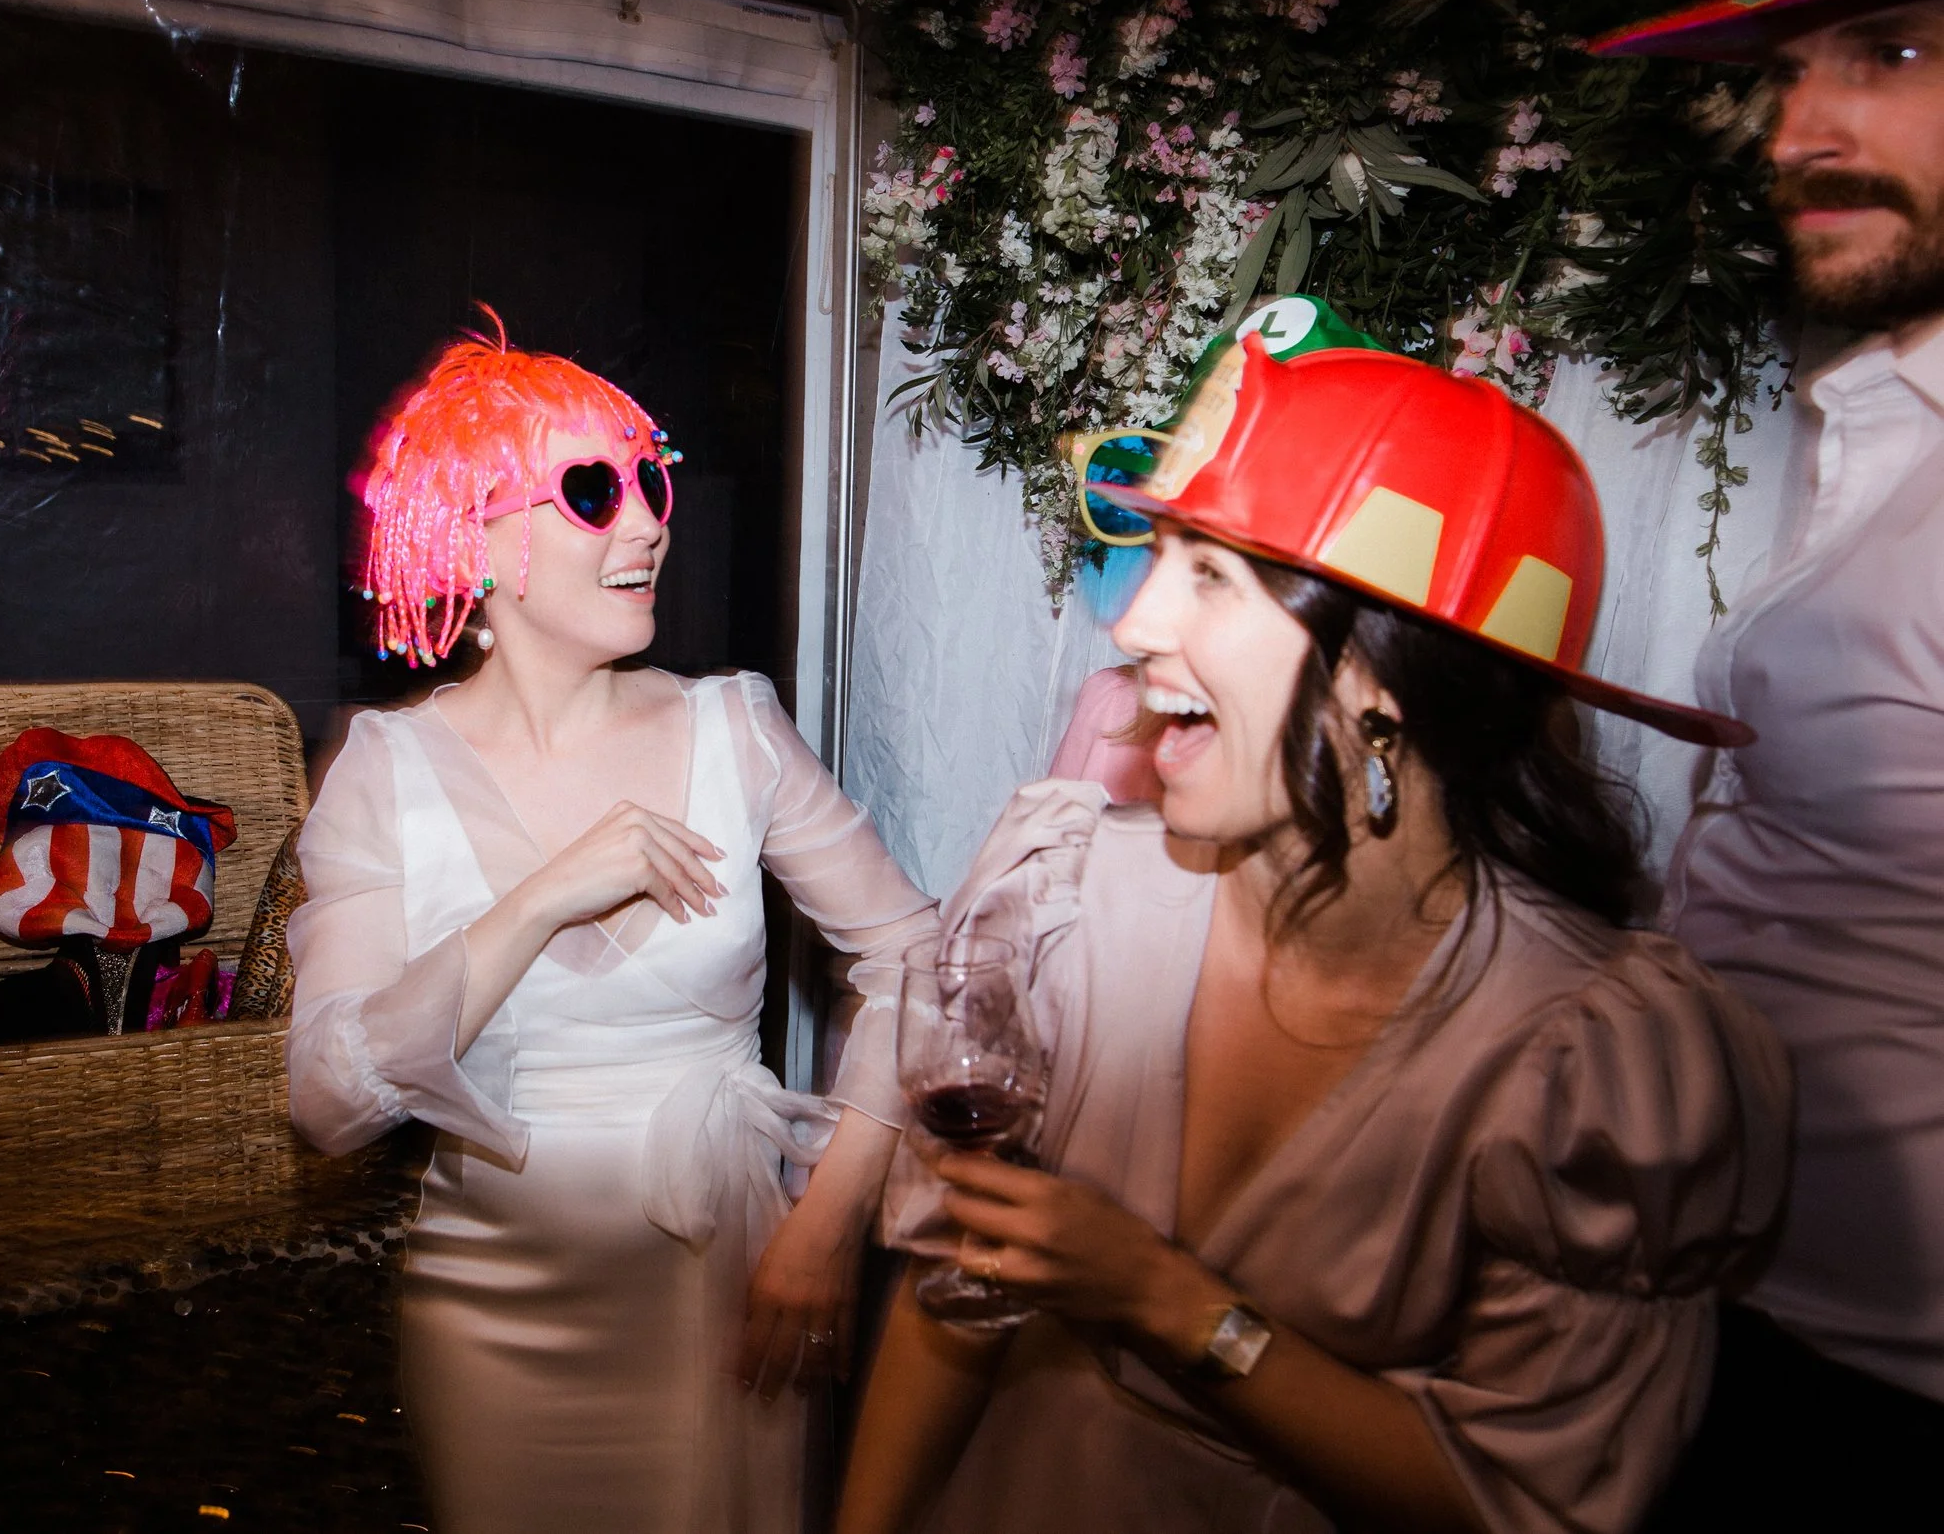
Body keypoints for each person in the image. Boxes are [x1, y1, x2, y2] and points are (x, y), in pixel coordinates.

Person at [834, 329, 1791, 1534]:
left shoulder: (1583, 1052)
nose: (1131, 625)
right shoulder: (1067, 895)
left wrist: (1176, 1304)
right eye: (1155, 556)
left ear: (1385, 675)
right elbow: (951, 1289)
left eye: (1213, 574)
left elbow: (1521, 1499)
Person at [284, 321, 935, 1534]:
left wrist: (831, 1215)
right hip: (494, 1308)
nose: (647, 522)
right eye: (592, 491)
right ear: (473, 533)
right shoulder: (382, 769)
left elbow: (912, 954)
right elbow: (327, 1103)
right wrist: (537, 900)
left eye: (650, 479)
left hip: (734, 1279)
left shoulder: (733, 728)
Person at [1588, 0, 1944, 1517]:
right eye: (1790, 67)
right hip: (1735, 1319)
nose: (1799, 124)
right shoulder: (1881, 424)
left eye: (1888, 50)